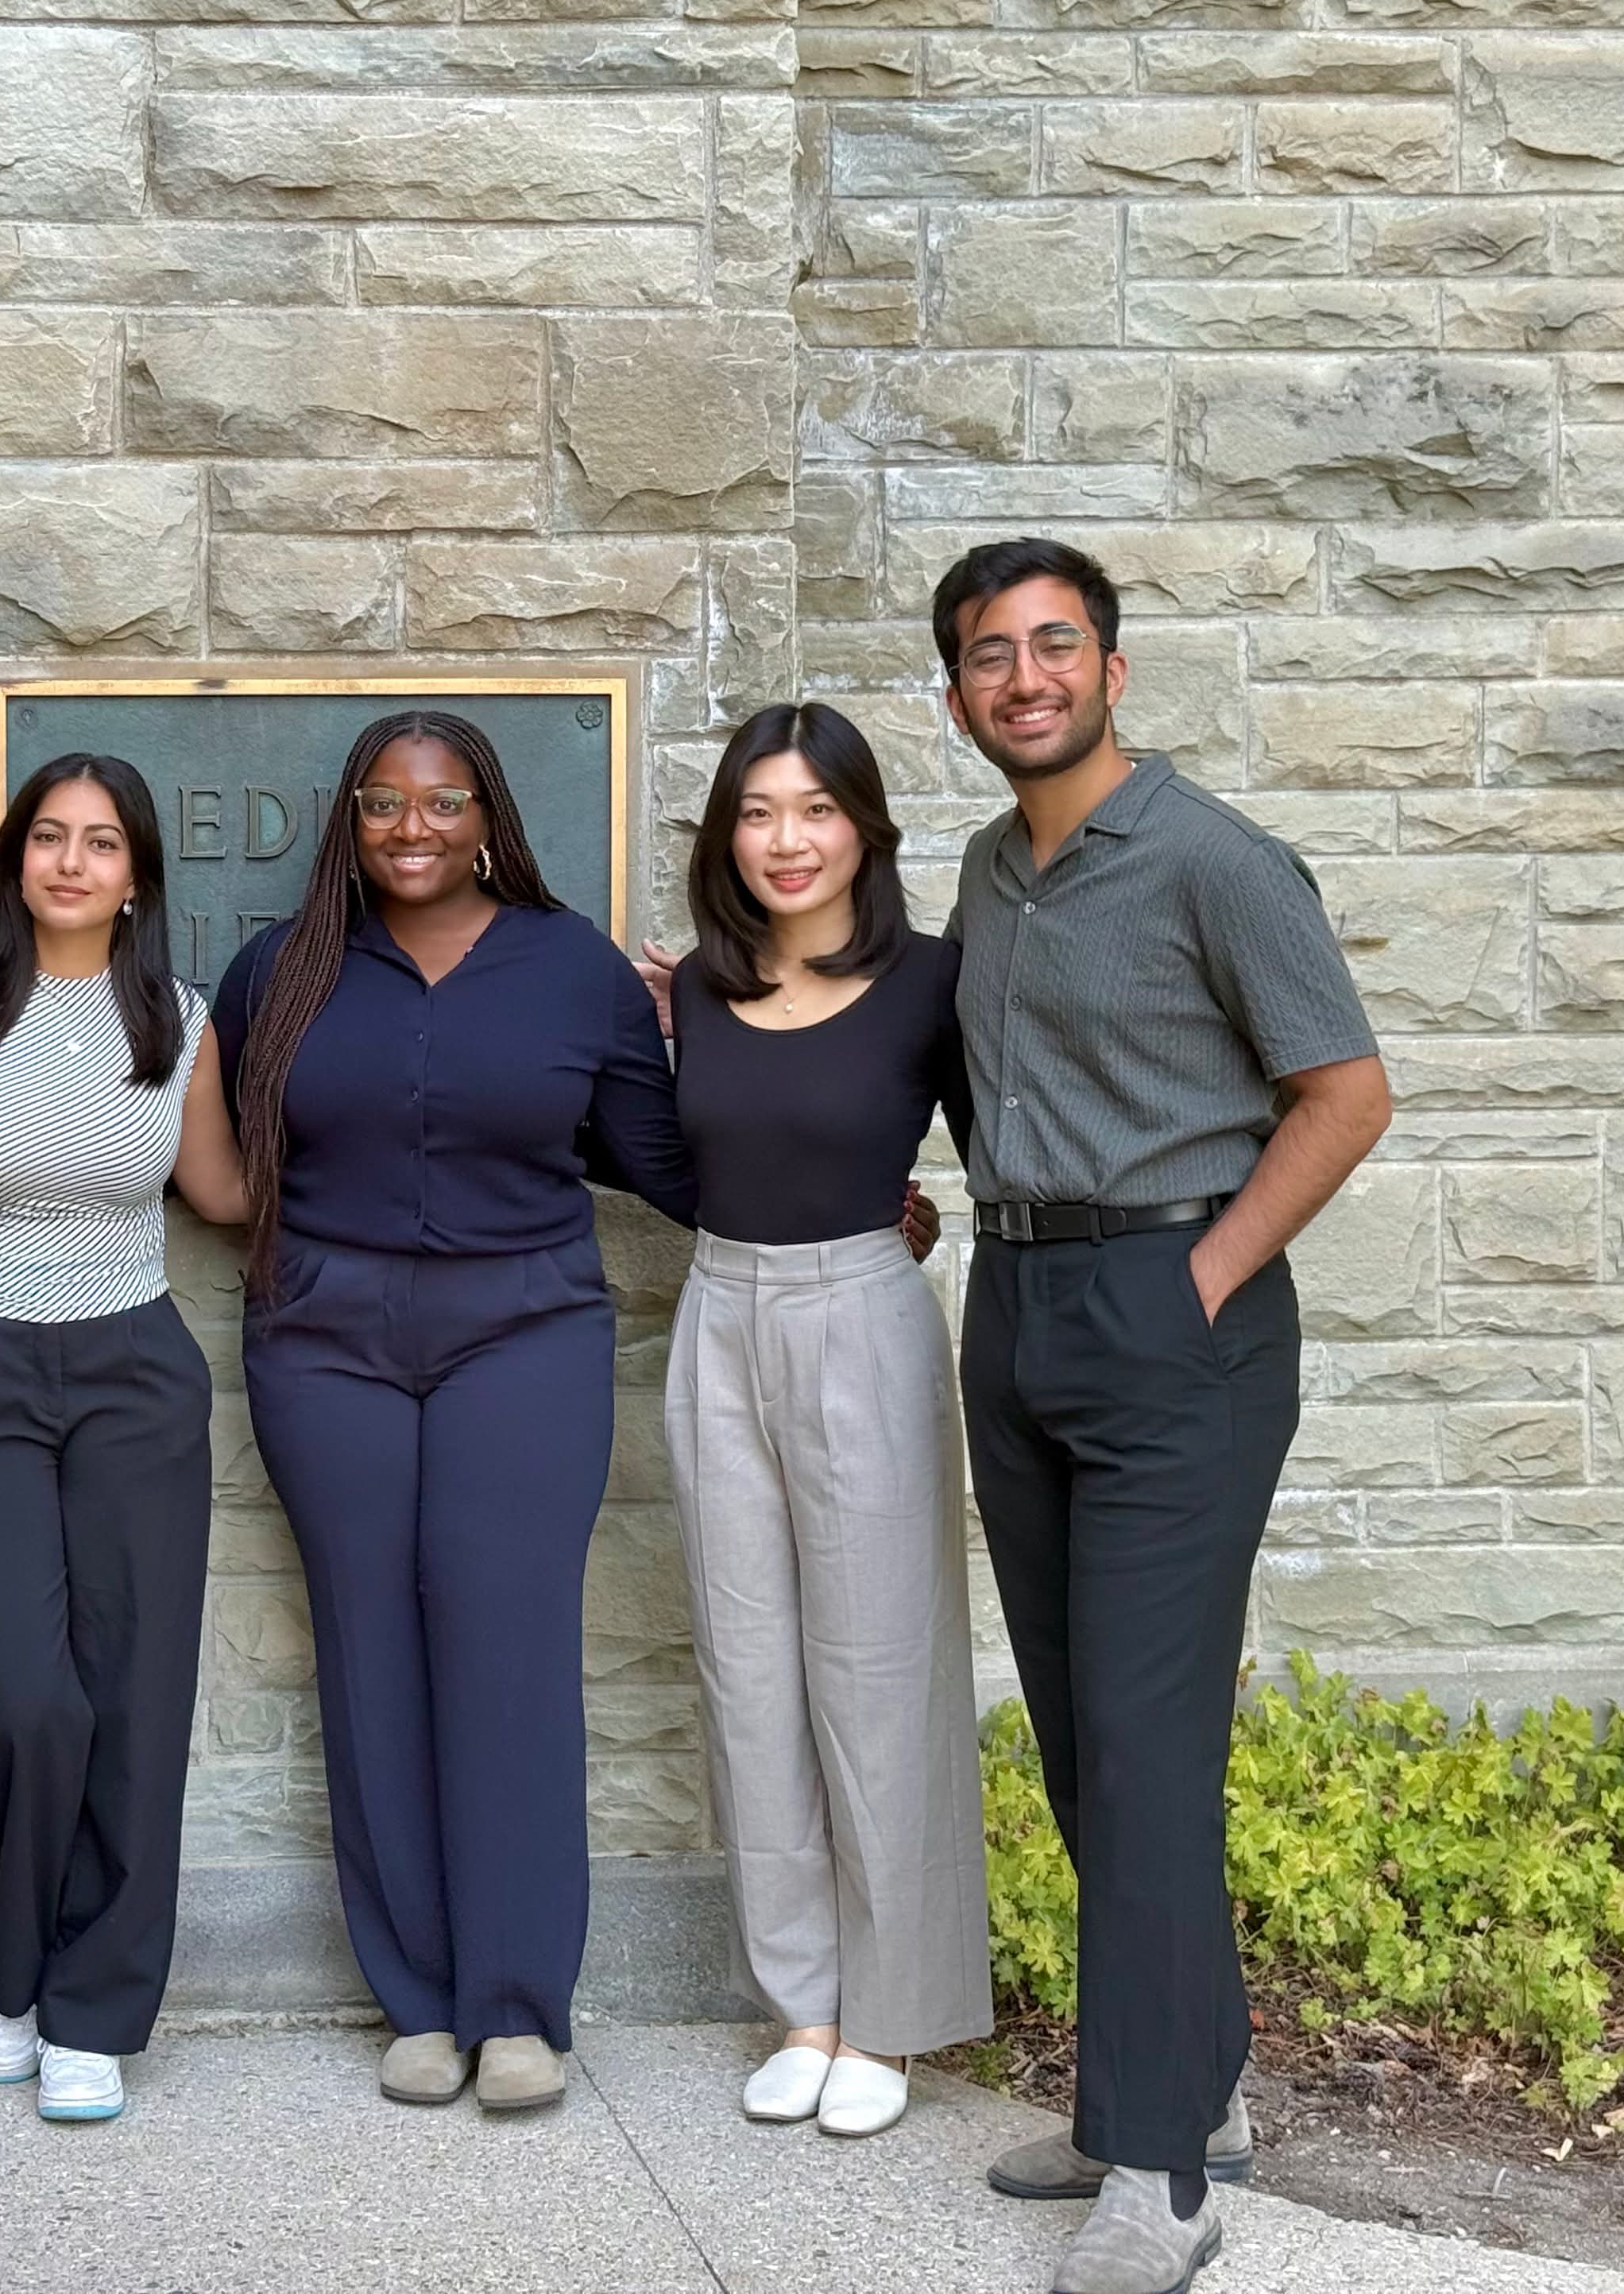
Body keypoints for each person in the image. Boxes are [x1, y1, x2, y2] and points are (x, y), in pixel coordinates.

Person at [936, 538, 1389, 2294]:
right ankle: (1183, 2087)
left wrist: (1198, 1277)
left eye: (1055, 645)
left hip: (1170, 1316)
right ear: (958, 694)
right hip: (1018, 1303)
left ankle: (1160, 2175)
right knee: (1077, 1732)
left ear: (1112, 672)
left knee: (1144, 1741)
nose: (1025, 677)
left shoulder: (1215, 859)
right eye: (991, 654)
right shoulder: (991, 868)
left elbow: (1345, 1093)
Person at [213, 710, 698, 2114]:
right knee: (369, 1654)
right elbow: (214, 1144)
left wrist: (776, 1100)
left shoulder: (573, 970)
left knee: (510, 1651)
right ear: (350, 821)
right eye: (382, 803)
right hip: (325, 1345)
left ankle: (518, 2007)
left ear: (488, 816)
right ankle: (419, 2002)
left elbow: (665, 1164)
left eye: (441, 802)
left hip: (523, 1335)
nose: (411, 827)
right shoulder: (283, 970)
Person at [658, 703, 990, 2144]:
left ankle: (892, 2014)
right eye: (757, 812)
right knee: (749, 1670)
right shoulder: (691, 993)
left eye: (815, 810)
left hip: (861, 1315)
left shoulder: (934, 983)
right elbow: (679, 1155)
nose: (785, 840)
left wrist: (911, 1228)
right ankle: (803, 2006)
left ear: (865, 828)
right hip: (718, 1316)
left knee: (880, 1672)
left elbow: (1005, 1152)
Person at [0, 754, 250, 2125]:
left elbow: (222, 1189)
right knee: (26, 1700)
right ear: (15, 862)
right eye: (48, 837)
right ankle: (21, 1969)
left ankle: (89, 2012)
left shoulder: (178, 1021)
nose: (70, 862)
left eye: (101, 843)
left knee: (134, 1703)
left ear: (135, 877)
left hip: (136, 1376)